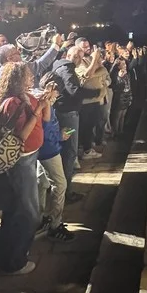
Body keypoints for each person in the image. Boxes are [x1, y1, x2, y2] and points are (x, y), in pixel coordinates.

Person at [0, 61, 55, 275]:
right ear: (18, 79)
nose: (32, 78)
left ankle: (4, 255)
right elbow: (21, 136)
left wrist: (48, 101)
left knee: (15, 210)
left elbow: (45, 118)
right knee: (29, 214)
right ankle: (15, 261)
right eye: (28, 75)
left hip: (31, 157)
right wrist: (36, 110)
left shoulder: (29, 96)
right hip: (20, 161)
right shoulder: (12, 102)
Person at [51, 47, 100, 201]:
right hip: (69, 116)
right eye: (76, 56)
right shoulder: (67, 68)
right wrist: (96, 93)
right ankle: (66, 191)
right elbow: (74, 91)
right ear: (68, 55)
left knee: (65, 150)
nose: (78, 60)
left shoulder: (58, 65)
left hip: (64, 113)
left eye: (80, 57)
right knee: (70, 150)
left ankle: (61, 187)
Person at [36, 71, 74, 241]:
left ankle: (40, 217)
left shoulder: (41, 101)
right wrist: (60, 136)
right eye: (57, 92)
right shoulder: (45, 105)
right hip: (49, 150)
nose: (58, 96)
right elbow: (45, 131)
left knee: (42, 182)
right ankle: (55, 224)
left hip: (41, 150)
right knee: (60, 184)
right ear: (51, 88)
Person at [0, 33, 64, 97]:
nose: (20, 53)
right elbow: (40, 64)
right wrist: (56, 44)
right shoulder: (21, 71)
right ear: (10, 59)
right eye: (16, 53)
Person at [76, 48, 111, 158]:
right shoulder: (79, 63)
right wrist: (95, 63)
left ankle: (89, 147)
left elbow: (104, 71)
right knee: (84, 127)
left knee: (92, 125)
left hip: (97, 99)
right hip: (86, 102)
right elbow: (87, 75)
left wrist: (95, 70)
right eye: (83, 46)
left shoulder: (91, 61)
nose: (86, 48)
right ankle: (84, 150)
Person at [110, 58, 132, 137]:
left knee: (123, 115)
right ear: (118, 66)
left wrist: (130, 96)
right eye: (122, 64)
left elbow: (129, 85)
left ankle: (121, 131)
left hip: (127, 96)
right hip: (120, 97)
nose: (124, 65)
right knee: (117, 116)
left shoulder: (127, 73)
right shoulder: (116, 74)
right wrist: (120, 77)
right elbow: (117, 87)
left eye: (125, 64)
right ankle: (115, 133)